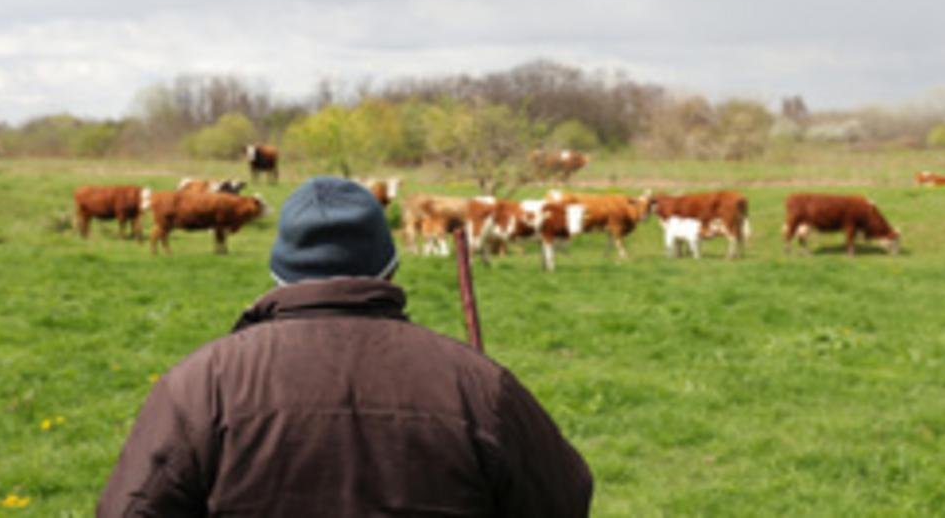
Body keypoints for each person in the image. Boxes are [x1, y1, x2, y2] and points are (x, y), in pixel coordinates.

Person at [98, 177, 593, 517]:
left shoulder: (200, 386)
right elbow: (564, 499)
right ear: (391, 266)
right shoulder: (479, 385)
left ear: (278, 273)